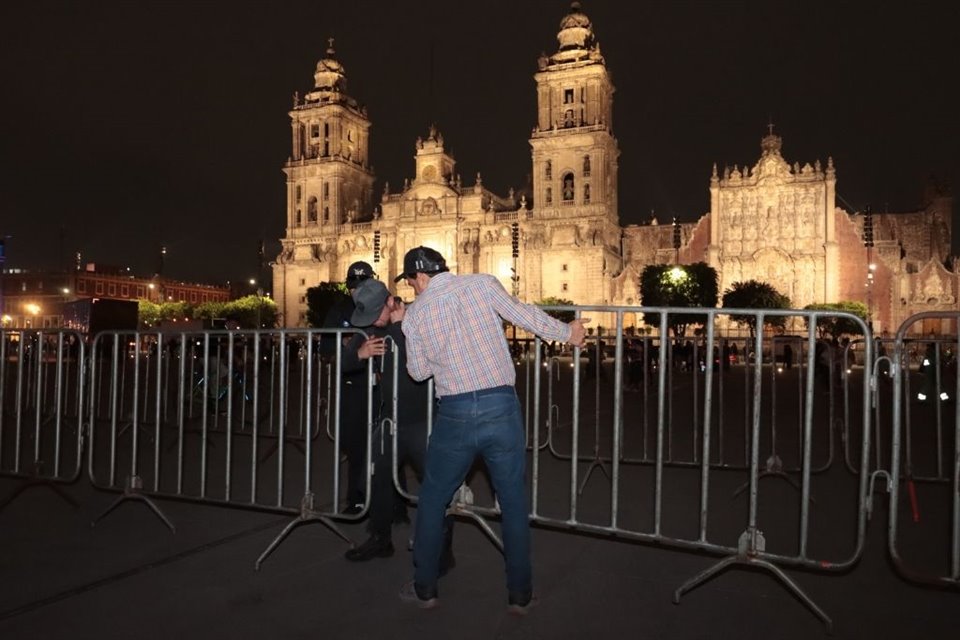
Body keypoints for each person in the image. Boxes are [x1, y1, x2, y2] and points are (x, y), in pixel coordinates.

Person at [396, 246, 588, 613]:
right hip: (500, 407)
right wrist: (568, 332)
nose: (411, 290)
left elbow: (418, 373)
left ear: (419, 277)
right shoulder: (482, 285)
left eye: (410, 282)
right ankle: (520, 594)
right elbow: (524, 315)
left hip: (454, 414)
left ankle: (425, 588)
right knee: (512, 501)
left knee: (434, 500)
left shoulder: (415, 315)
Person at [340, 279, 454, 570]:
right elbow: (344, 365)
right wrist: (358, 355)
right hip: (390, 419)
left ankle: (442, 551)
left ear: (391, 302)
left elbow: (429, 360)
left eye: (376, 315)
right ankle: (380, 538)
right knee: (376, 479)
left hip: (423, 420)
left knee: (438, 486)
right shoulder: (369, 327)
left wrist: (401, 331)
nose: (372, 323)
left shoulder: (417, 319)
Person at [321, 260, 377, 515]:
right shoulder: (338, 311)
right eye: (354, 286)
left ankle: (389, 503)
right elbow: (325, 351)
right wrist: (347, 350)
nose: (358, 291)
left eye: (363, 285)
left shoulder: (381, 308)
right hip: (352, 385)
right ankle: (355, 498)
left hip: (381, 387)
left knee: (385, 445)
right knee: (355, 447)